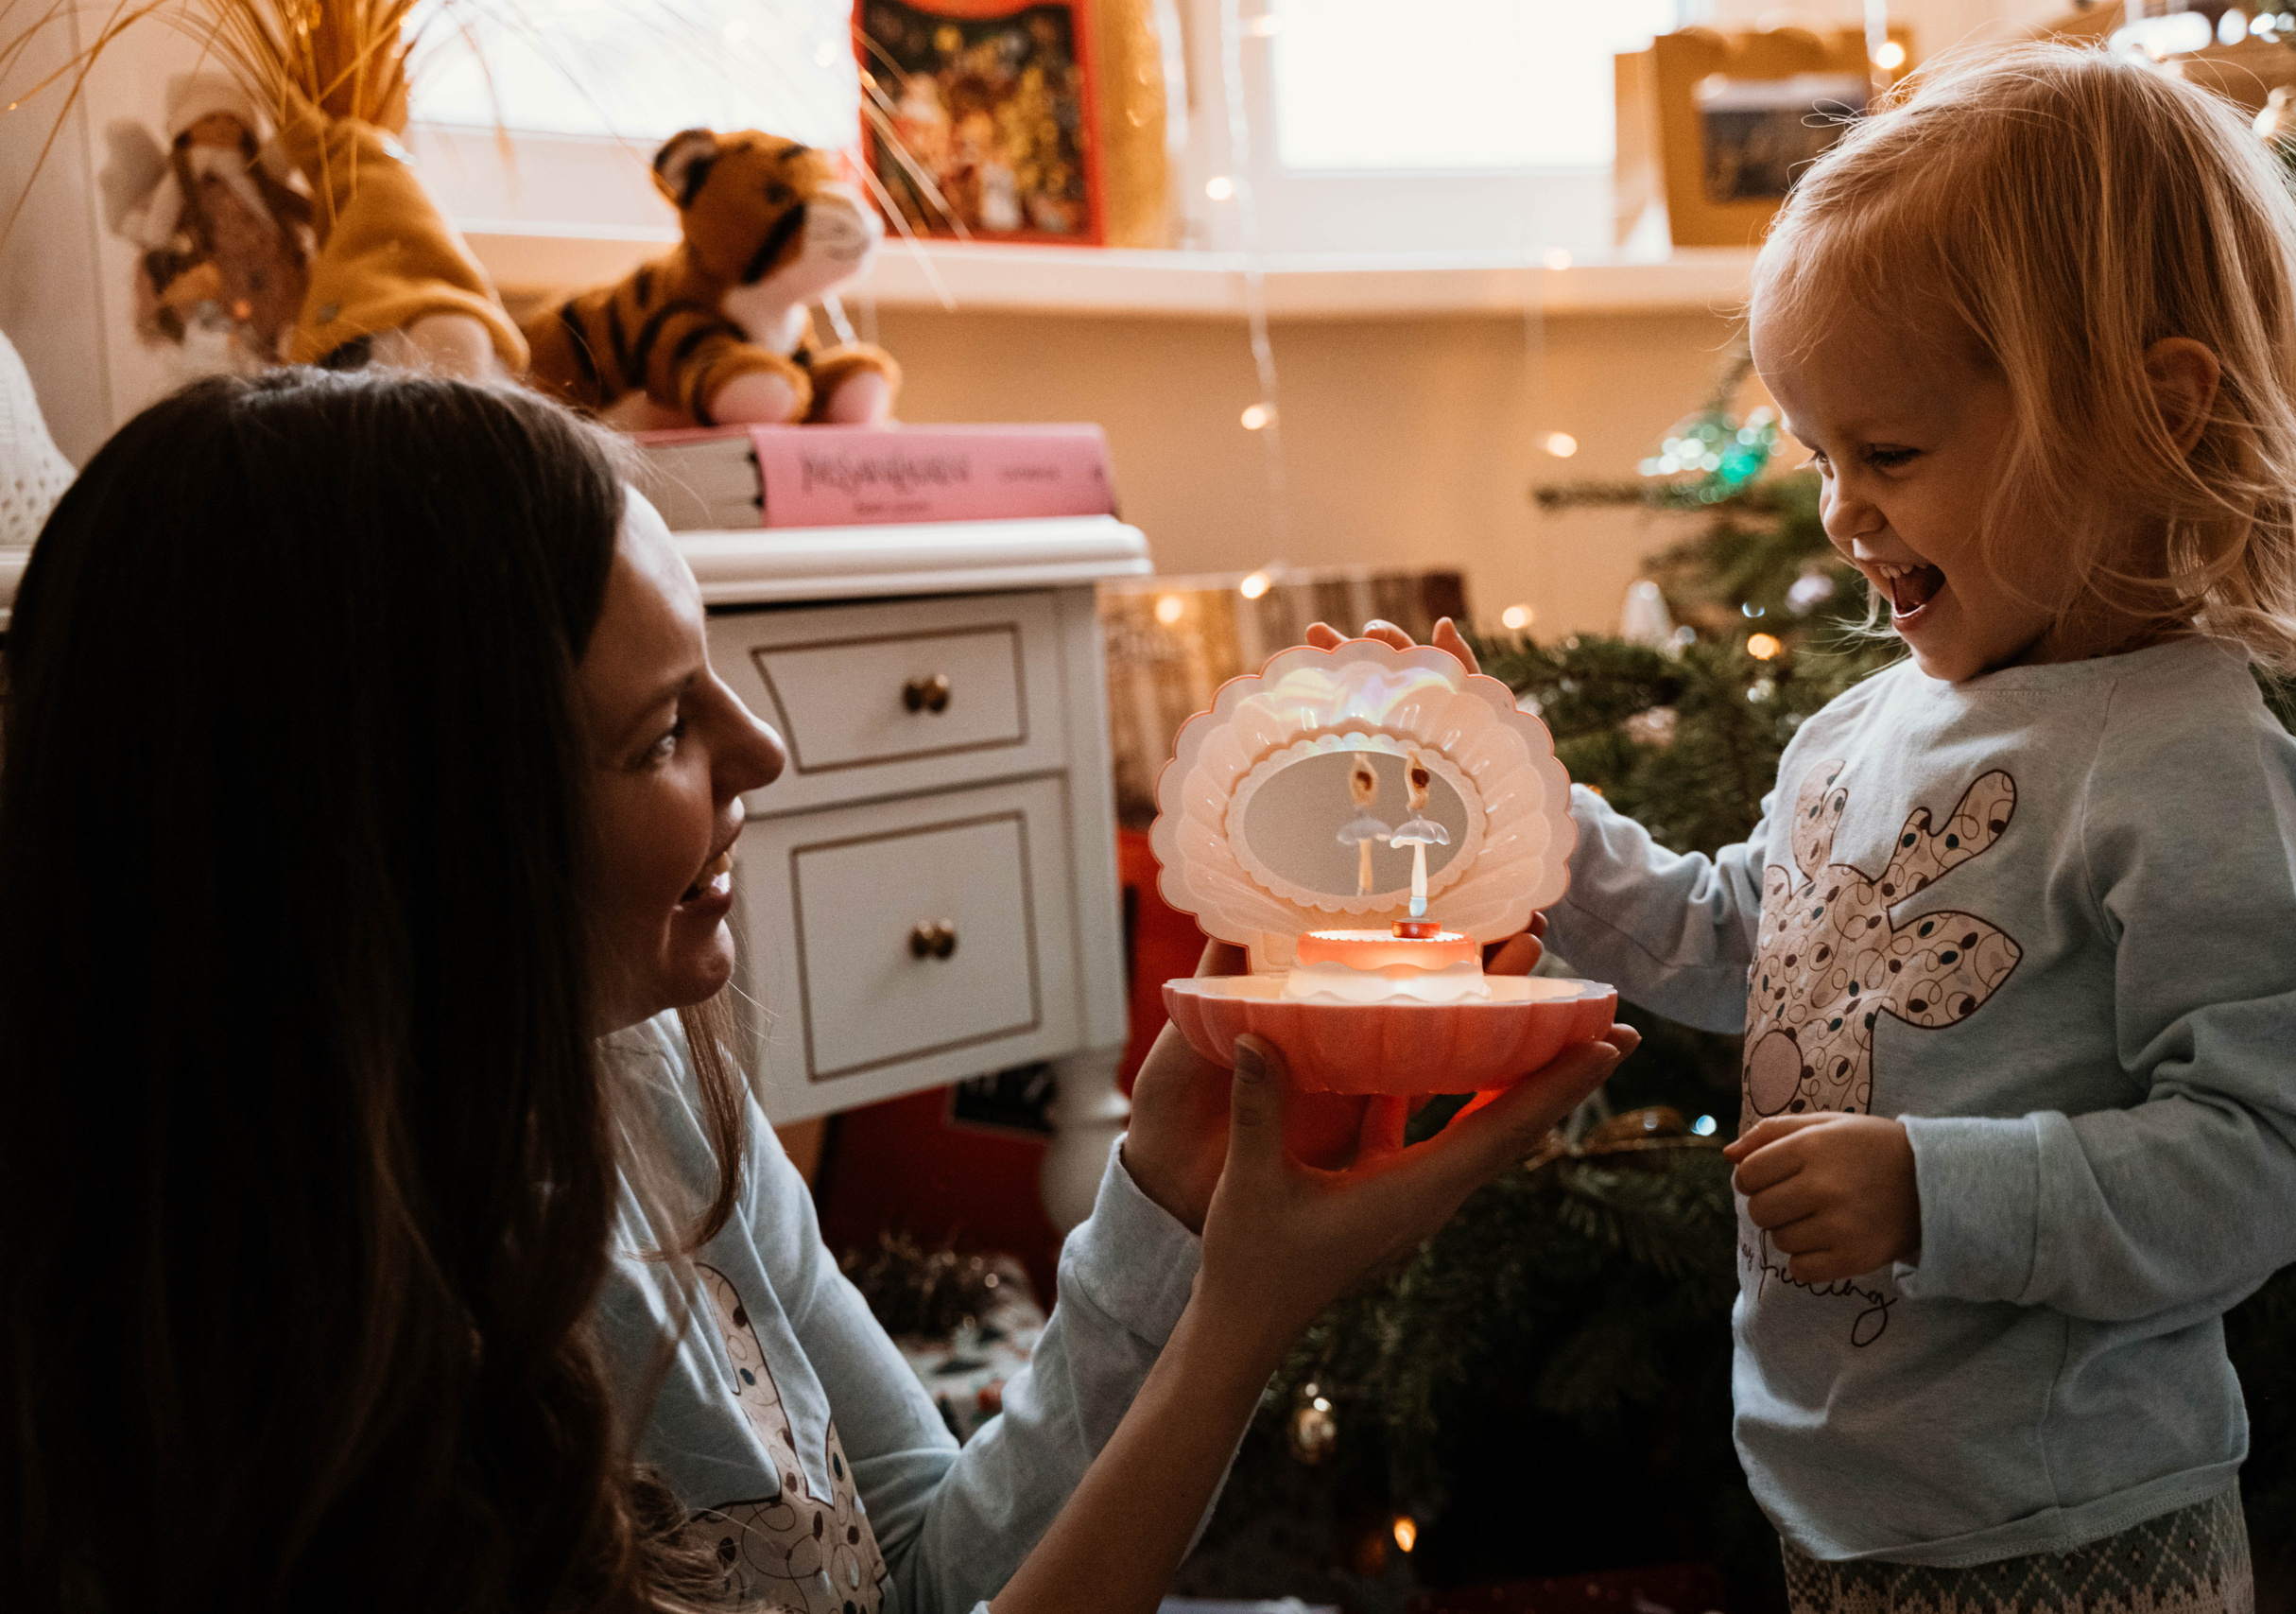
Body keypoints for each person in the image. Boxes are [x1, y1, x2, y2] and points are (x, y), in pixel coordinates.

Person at [0, 366, 1631, 1614]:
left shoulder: (648, 1087)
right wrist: (1240, 1325)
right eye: (656, 736)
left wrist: (1172, 1206)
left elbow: (928, 1568)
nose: (761, 753)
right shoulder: (260, 1420)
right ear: (408, 844)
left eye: (715, 674)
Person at [1314, 43, 2296, 1613]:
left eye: (1890, 454)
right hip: (1839, 1497)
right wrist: (1530, 822)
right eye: (1824, 456)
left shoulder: (2187, 763)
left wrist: (1937, 1193)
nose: (1840, 511)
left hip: (2071, 1522)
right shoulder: (1865, 727)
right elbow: (1747, 943)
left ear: (2155, 414)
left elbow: (2279, 1152)